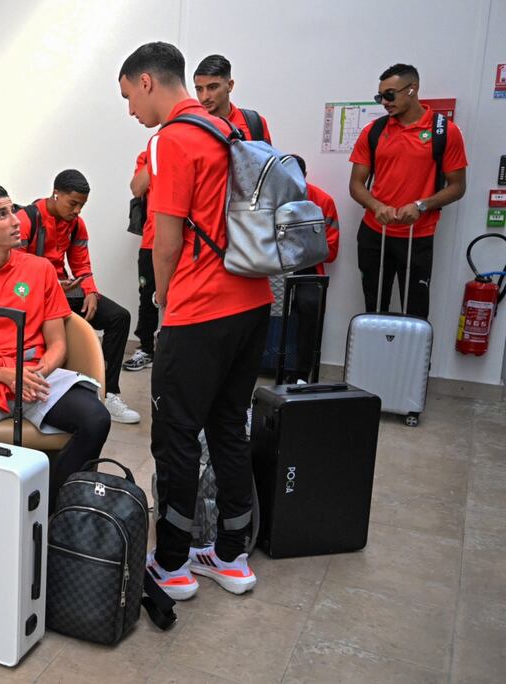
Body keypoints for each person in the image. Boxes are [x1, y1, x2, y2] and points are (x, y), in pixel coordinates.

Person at [119, 41, 272, 600]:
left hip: (201, 307)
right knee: (229, 426)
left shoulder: (173, 140)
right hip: (253, 301)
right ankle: (233, 558)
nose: (132, 112)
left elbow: (166, 239)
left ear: (146, 82)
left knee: (176, 434)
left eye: (129, 98)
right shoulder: (228, 130)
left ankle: (173, 564)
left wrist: (163, 301)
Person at [0, 185, 112, 510]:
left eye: (13, 210)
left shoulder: (40, 269)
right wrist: (6, 375)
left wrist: (34, 374)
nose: (16, 220)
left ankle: (51, 506)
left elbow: (58, 344)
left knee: (96, 418)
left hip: (37, 373)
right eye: (3, 214)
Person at [16, 169, 140, 424]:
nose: (77, 211)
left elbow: (82, 265)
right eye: (73, 204)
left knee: (119, 317)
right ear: (56, 193)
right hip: (28, 293)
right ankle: (51, 394)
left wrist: (91, 291)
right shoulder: (26, 219)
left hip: (63, 291)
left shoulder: (76, 225)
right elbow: (13, 270)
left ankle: (109, 393)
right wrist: (48, 283)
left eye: (82, 206)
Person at [348, 63, 467, 319]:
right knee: (374, 306)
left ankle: (411, 360)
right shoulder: (374, 131)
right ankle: (375, 358)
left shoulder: (445, 132)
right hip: (374, 233)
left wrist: (421, 205)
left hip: (417, 235)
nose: (384, 103)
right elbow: (356, 184)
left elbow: (457, 187)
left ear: (412, 89)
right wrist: (377, 206)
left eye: (389, 95)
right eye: (380, 97)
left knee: (414, 312)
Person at [282, 155, 340, 384]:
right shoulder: (268, 200)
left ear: (305, 176)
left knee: (309, 305)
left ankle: (300, 373)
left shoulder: (323, 201)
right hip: (272, 267)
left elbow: (331, 250)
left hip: (307, 268)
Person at [123, 148, 157, 373]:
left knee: (182, 298)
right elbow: (137, 188)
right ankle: (146, 348)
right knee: (148, 296)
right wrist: (160, 150)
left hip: (188, 243)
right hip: (151, 242)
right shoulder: (149, 154)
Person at [193, 54, 271, 143]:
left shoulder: (255, 123)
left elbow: (268, 156)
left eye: (212, 87)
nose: (204, 97)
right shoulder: (191, 127)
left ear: (230, 85)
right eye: (199, 89)